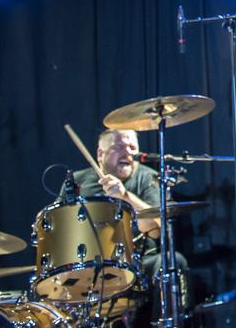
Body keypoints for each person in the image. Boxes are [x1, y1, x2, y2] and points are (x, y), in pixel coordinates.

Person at [62, 129, 188, 319]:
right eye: (119, 147)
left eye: (132, 147)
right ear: (99, 154)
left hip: (139, 265)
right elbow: (60, 231)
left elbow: (157, 231)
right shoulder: (78, 181)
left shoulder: (148, 178)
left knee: (173, 262)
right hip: (87, 266)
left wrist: (124, 196)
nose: (128, 152)